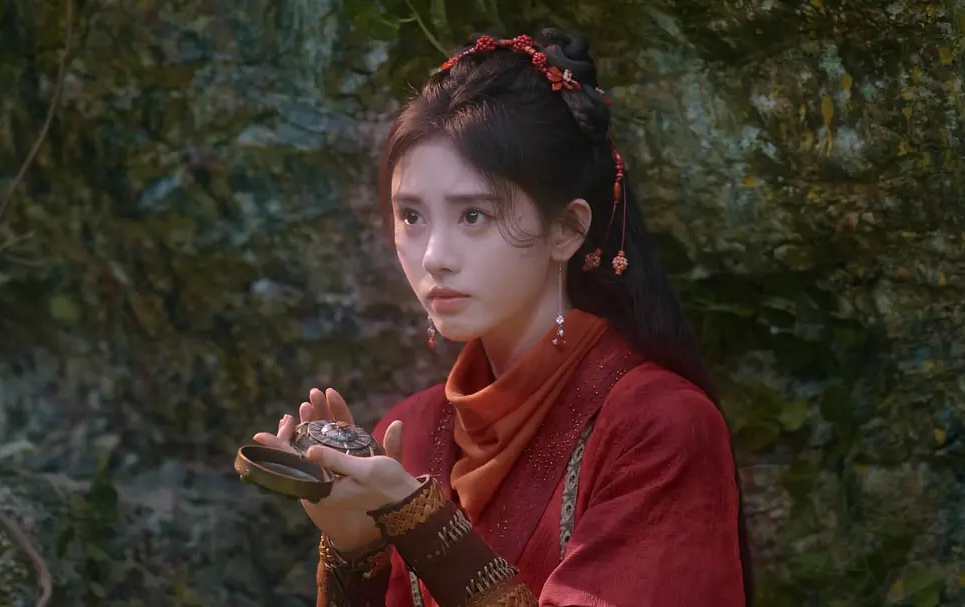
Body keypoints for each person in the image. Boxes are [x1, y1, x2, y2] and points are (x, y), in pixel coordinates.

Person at [253, 28, 749, 607]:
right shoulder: (411, 432)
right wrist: (353, 544)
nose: (434, 256)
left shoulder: (659, 427)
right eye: (411, 216)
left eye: (473, 216)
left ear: (566, 229)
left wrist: (421, 522)